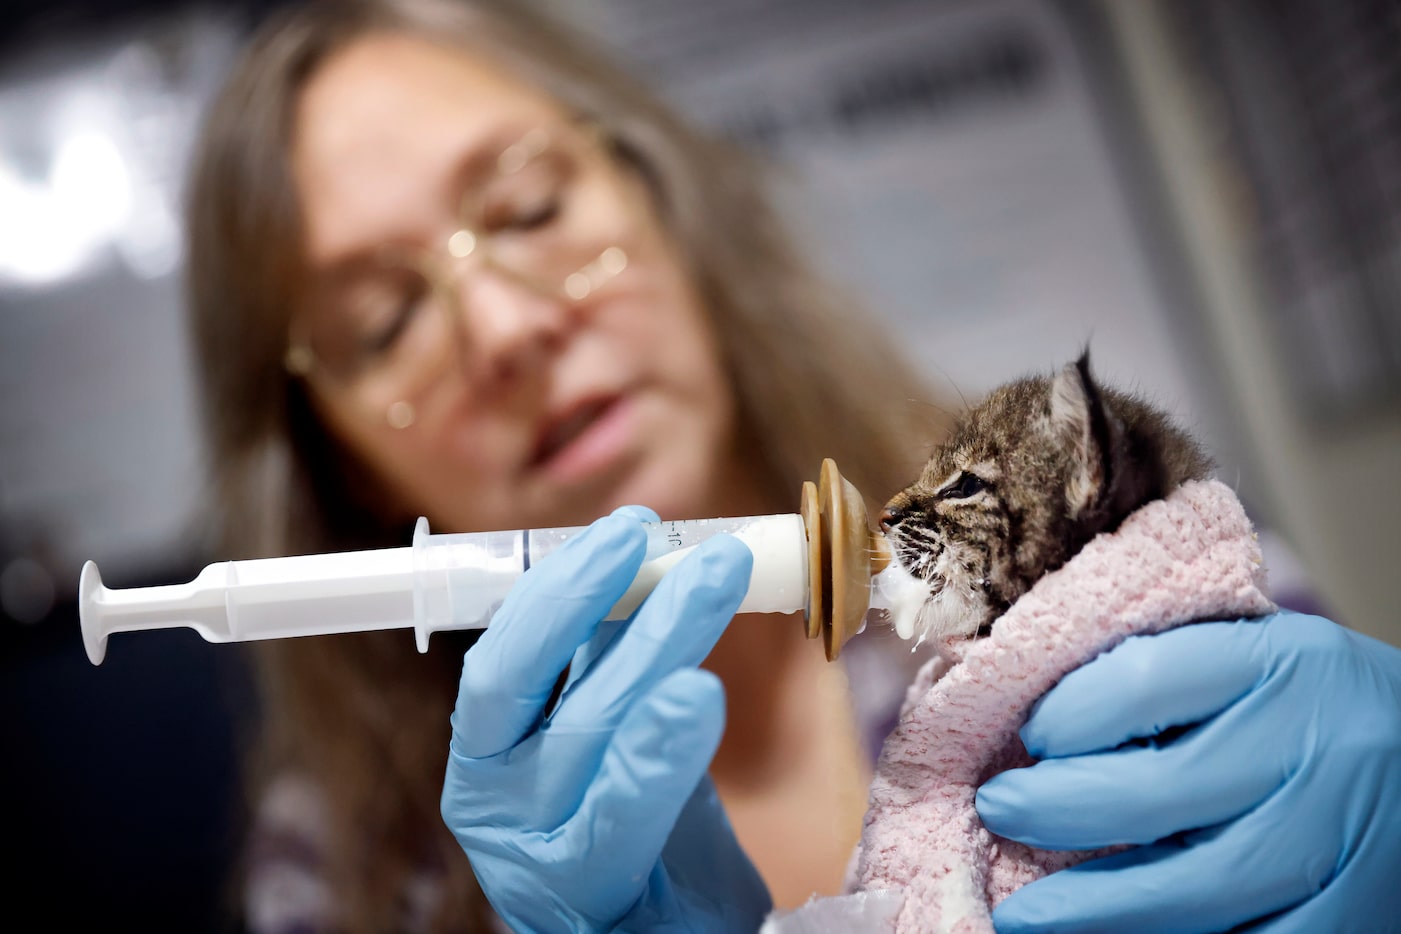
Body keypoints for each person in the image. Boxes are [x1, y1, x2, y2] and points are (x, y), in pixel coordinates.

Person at [182, 0, 1401, 932]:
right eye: (384, 323)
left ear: (666, 203)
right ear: (339, 466)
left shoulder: (1071, 534)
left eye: (528, 206)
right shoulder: (344, 869)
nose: (504, 333)